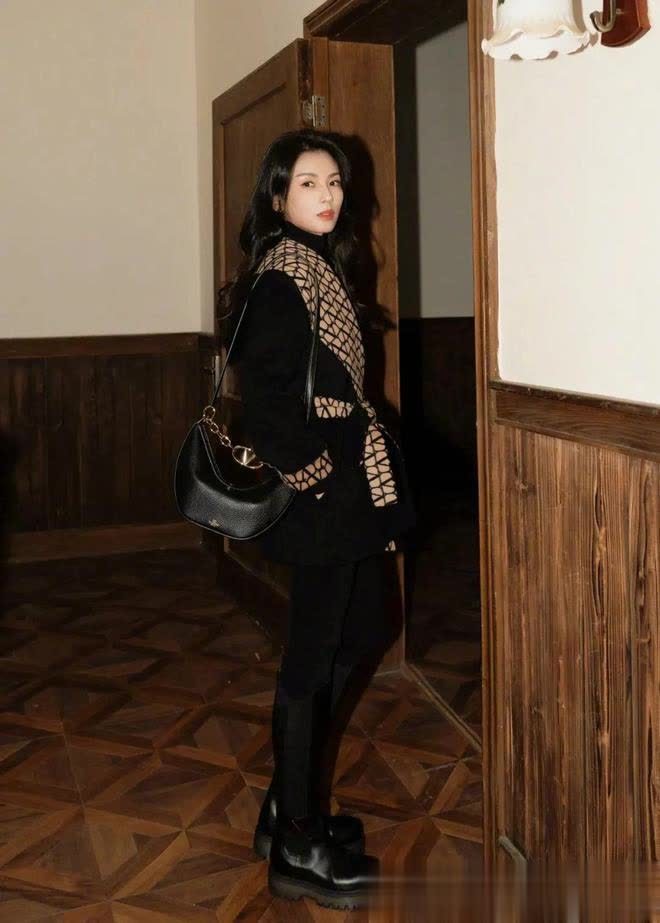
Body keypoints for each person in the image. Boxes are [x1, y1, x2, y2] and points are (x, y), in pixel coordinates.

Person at [221, 129, 417, 910]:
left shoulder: (319, 267)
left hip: (345, 489)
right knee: (310, 661)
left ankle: (286, 805)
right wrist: (321, 479)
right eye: (308, 182)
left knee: (365, 628)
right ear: (278, 197)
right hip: (324, 495)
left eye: (333, 181)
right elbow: (265, 407)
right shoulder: (282, 277)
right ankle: (297, 846)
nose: (328, 194)